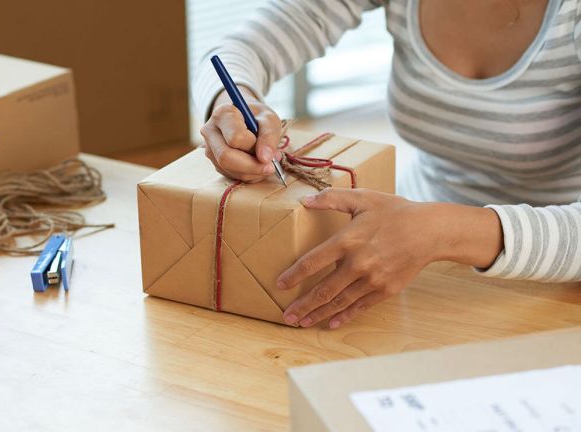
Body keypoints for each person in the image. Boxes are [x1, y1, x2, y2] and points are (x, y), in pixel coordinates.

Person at [192, 0, 581, 329]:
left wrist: (440, 231)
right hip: (409, 258)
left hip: (554, 277)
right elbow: (238, 50)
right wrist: (230, 104)